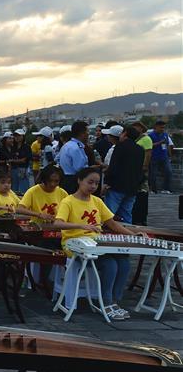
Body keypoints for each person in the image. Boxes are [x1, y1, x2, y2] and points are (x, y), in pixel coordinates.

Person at [53, 167, 142, 320]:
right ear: (79, 181)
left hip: (96, 243)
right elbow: (57, 224)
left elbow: (113, 224)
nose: (93, 186)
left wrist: (134, 235)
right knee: (110, 264)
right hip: (74, 243)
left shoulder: (97, 201)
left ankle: (115, 301)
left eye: (96, 183)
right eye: (90, 182)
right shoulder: (68, 201)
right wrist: (81, 226)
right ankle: (106, 303)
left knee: (124, 261)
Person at [103, 125, 145, 224]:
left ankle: (108, 235)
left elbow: (113, 167)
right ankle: (127, 235)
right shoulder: (140, 149)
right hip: (132, 187)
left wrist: (106, 182)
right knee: (127, 214)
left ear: (125, 134)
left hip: (117, 186)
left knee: (109, 214)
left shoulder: (120, 147)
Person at [58, 121, 89, 194]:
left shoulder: (67, 145)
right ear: (82, 133)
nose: (88, 134)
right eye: (87, 132)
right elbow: (79, 168)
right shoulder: (76, 148)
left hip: (65, 179)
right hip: (73, 181)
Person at [130, 122, 152, 225]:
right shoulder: (136, 139)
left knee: (142, 193)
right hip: (134, 169)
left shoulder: (146, 139)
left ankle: (142, 218)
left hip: (141, 170)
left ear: (141, 128)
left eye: (136, 128)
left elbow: (148, 155)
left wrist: (144, 168)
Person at [148, 120, 174, 193]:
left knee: (168, 172)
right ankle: (153, 189)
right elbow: (150, 145)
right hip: (154, 157)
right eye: (161, 127)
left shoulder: (165, 134)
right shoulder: (150, 135)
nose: (162, 129)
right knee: (153, 174)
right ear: (156, 127)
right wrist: (160, 143)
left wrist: (170, 155)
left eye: (163, 127)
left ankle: (166, 189)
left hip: (164, 157)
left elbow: (167, 145)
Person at [8, 129, 31, 195]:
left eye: (18, 135)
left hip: (23, 170)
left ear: (23, 136)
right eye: (15, 136)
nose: (16, 137)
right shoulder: (13, 147)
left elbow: (25, 159)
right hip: (14, 169)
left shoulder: (26, 147)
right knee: (14, 189)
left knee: (23, 189)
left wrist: (13, 161)